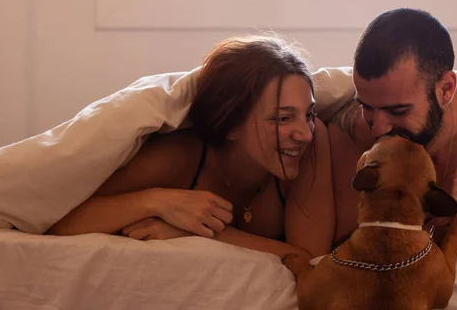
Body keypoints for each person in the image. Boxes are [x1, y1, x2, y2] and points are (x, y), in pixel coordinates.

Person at [47, 34, 335, 260]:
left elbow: (308, 260)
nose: (304, 134)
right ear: (232, 124)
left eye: (308, 114)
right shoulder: (177, 158)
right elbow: (59, 219)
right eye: (283, 118)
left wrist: (203, 233)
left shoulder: (313, 143)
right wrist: (156, 201)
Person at [329, 8, 457, 252]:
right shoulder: (349, 129)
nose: (377, 129)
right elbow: (342, 253)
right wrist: (429, 207)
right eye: (366, 106)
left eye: (398, 111)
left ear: (446, 89)